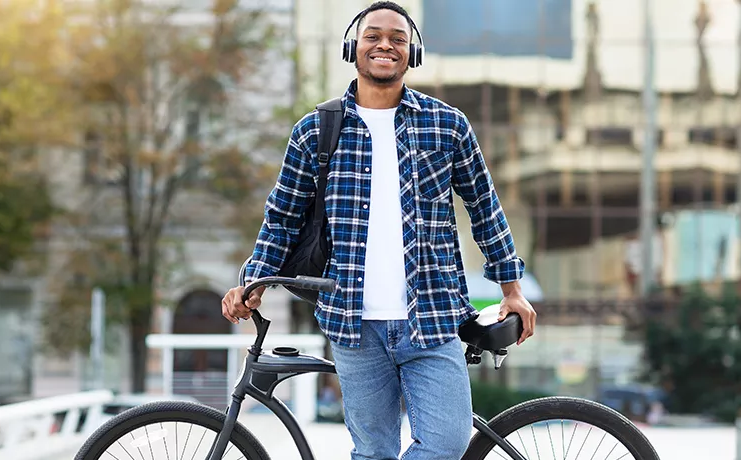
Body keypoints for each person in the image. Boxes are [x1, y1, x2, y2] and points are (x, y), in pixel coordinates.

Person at [221, 2, 538, 459]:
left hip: (432, 319)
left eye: (398, 38)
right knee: (372, 453)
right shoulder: (315, 131)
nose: (385, 44)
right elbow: (283, 217)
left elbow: (485, 207)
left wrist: (511, 289)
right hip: (354, 325)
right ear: (354, 47)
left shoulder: (446, 126)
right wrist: (254, 280)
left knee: (447, 448)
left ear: (413, 53)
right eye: (373, 36)